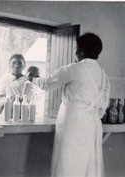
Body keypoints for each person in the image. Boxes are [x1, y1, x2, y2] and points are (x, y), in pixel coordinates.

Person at [33, 33, 110, 177]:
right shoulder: (103, 75)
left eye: (75, 49)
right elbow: (102, 106)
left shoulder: (73, 69)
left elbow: (47, 84)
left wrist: (34, 78)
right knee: (88, 166)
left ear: (80, 51)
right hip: (92, 124)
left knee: (68, 165)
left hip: (73, 123)